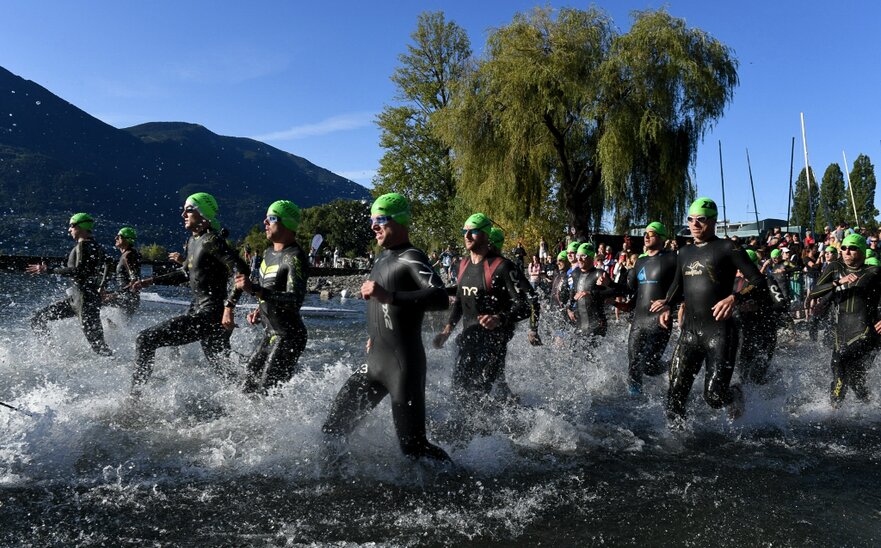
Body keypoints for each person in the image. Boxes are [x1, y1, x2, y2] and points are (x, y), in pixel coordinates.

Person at [322, 193, 450, 462]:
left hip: (402, 366)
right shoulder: (381, 259)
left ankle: (460, 481)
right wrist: (373, 335)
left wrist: (390, 296)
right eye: (372, 220)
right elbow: (383, 308)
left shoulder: (411, 256)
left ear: (400, 221)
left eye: (380, 219)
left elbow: (439, 297)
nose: (373, 226)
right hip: (374, 363)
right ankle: (338, 484)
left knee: (414, 449)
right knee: (333, 429)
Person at [651, 197, 769, 425]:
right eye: (690, 219)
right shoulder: (684, 252)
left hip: (720, 332)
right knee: (674, 396)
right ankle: (678, 440)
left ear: (713, 221)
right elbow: (678, 284)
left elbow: (758, 281)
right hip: (690, 332)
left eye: (701, 220)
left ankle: (735, 395)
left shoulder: (727, 247)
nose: (694, 224)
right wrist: (667, 303)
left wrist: (734, 298)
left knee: (714, 397)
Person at [128, 192, 250, 396]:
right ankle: (255, 392)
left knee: (145, 339)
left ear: (203, 214)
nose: (183, 213)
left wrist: (229, 307)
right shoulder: (193, 240)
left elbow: (241, 269)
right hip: (200, 311)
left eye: (189, 209)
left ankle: (134, 400)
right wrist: (150, 281)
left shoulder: (212, 240)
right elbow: (185, 272)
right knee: (223, 368)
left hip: (210, 315)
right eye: (183, 209)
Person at [433, 213, 531, 410]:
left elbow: (527, 304)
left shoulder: (502, 266)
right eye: (465, 231)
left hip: (493, 344)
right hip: (468, 340)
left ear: (486, 235)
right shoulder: (462, 264)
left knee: (479, 397)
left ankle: (496, 435)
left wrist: (500, 318)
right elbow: (460, 301)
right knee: (459, 392)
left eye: (474, 231)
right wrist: (446, 331)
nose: (467, 235)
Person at [235, 200, 309, 394]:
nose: (265, 222)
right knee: (245, 386)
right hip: (270, 334)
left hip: (289, 336)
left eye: (271, 218)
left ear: (286, 223)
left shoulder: (295, 256)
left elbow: (295, 299)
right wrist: (260, 308)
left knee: (266, 393)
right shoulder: (268, 253)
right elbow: (274, 290)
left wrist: (257, 291)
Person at [808, 234, 881, 407]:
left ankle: (835, 408)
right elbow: (814, 291)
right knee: (852, 377)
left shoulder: (873, 272)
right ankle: (871, 407)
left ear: (862, 251)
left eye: (853, 248)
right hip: (840, 331)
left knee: (839, 360)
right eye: (844, 248)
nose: (847, 251)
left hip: (864, 330)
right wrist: (837, 283)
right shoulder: (835, 267)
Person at [27, 213, 112, 356]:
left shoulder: (83, 246)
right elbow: (109, 264)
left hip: (84, 301)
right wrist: (102, 286)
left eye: (72, 226)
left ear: (81, 227)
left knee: (99, 347)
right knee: (38, 318)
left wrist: (49, 270)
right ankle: (51, 354)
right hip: (79, 299)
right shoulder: (97, 246)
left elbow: (78, 271)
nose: (69, 229)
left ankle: (119, 370)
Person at [621, 222, 678, 396]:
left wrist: (670, 303)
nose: (646, 236)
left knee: (647, 365)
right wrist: (609, 287)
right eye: (645, 233)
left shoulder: (672, 258)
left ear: (661, 238)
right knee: (633, 362)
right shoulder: (640, 261)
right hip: (639, 319)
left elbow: (682, 285)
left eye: (651, 234)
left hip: (659, 319)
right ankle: (635, 397)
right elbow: (630, 289)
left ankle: (672, 366)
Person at [567, 243, 615, 341]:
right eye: (578, 256)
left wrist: (591, 293)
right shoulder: (575, 274)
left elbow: (613, 292)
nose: (579, 259)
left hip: (597, 324)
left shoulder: (599, 274)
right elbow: (572, 293)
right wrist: (569, 308)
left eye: (583, 256)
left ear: (591, 257)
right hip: (580, 325)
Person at [101, 226, 142, 318]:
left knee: (94, 300)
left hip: (127, 299)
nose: (115, 238)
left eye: (119, 236)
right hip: (129, 298)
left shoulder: (129, 255)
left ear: (127, 239)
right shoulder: (128, 254)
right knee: (115, 328)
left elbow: (134, 280)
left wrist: (113, 295)